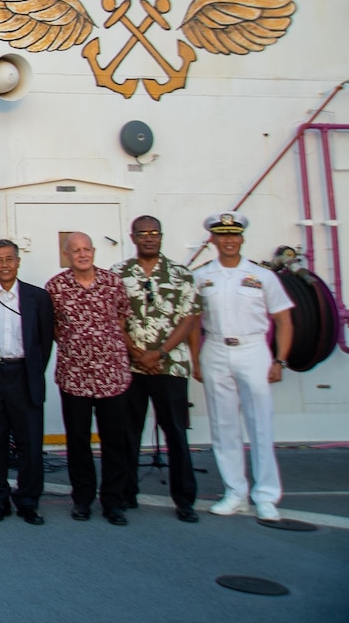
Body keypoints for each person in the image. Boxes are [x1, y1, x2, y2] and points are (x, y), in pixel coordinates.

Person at [194, 212, 293, 521]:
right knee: (224, 426)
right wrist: (196, 359)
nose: (229, 240)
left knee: (260, 424)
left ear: (242, 238)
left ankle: (265, 496)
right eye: (222, 235)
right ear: (212, 239)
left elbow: (283, 320)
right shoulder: (202, 276)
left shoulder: (262, 276)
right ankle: (234, 492)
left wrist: (280, 359)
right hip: (215, 348)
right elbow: (192, 321)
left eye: (234, 235)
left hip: (253, 350)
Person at [46, 231, 135, 525]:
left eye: (87, 249)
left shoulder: (113, 283)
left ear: (94, 252)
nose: (82, 254)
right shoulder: (56, 287)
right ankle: (82, 499)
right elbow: (55, 327)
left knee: (114, 441)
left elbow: (122, 319)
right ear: (66, 255)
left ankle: (113, 502)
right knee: (78, 440)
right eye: (76, 250)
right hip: (75, 376)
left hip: (112, 375)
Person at [118, 215, 202, 522]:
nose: (149, 238)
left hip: (171, 366)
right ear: (133, 237)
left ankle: (184, 500)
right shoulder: (119, 274)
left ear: (161, 236)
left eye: (154, 233)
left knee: (176, 434)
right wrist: (137, 353)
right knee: (128, 433)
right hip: (131, 366)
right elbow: (115, 319)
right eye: (143, 234)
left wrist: (159, 353)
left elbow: (189, 318)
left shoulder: (181, 274)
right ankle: (126, 493)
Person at [0, 239, 55, 525]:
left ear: (18, 262)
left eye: (9, 259)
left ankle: (28, 502)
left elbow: (44, 342)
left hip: (24, 376)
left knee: (29, 442)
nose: (4, 265)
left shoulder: (38, 298)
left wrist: (30, 371)